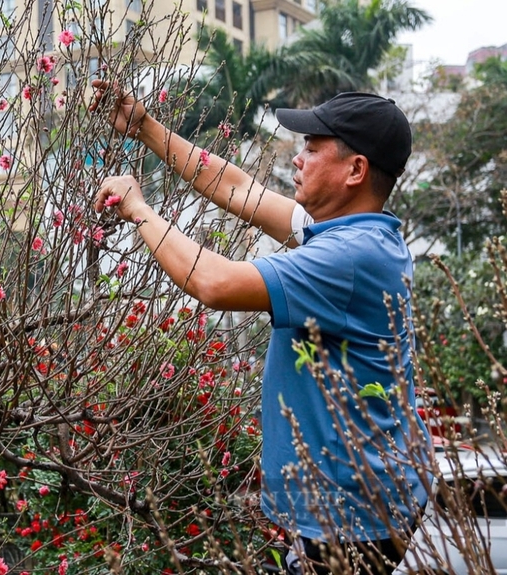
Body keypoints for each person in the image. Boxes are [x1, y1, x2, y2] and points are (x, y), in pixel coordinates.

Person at [91, 83, 432, 574]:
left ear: (355, 170)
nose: (298, 158)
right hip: (360, 504)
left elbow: (213, 283)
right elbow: (235, 188)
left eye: (313, 149)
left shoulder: (349, 257)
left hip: (352, 518)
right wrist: (144, 127)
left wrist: (139, 209)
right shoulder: (354, 231)